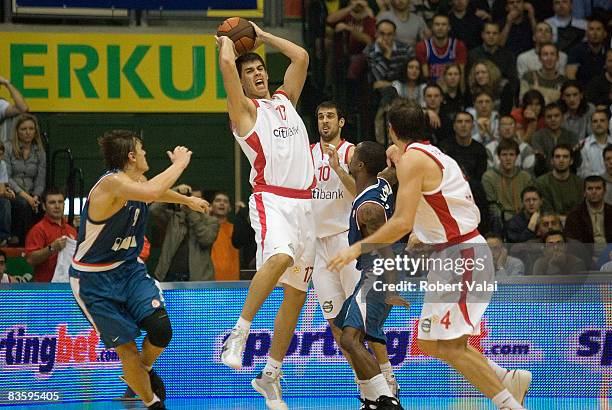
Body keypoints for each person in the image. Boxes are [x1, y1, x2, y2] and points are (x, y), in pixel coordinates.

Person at [328, 99, 532, 410]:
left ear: (392, 129)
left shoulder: (413, 161)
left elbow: (401, 221)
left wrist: (358, 247)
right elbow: (426, 199)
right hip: (450, 256)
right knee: (429, 342)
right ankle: (506, 378)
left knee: (452, 347)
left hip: (462, 256)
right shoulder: (433, 156)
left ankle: (508, 404)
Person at [69, 130, 208, 410]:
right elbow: (151, 192)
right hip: (94, 280)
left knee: (161, 329)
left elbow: (152, 192)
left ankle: (141, 371)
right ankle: (151, 402)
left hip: (129, 270)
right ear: (131, 156)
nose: (146, 154)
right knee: (127, 349)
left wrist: (187, 201)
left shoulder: (136, 181)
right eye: (142, 149)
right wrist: (180, 164)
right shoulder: (111, 185)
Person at [217, 22, 315, 410]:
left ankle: (270, 375)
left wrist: (262, 35)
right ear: (240, 83)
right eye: (248, 72)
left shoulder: (284, 99)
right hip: (272, 198)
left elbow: (302, 57)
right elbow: (227, 66)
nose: (255, 74)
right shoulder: (243, 110)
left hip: (306, 205)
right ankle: (238, 333)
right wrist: (228, 40)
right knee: (281, 258)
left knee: (295, 295)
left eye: (259, 68)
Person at [311, 102, 400, 401]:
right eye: (320, 116)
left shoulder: (356, 165)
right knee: (342, 329)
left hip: (357, 256)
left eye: (330, 116)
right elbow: (390, 174)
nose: (325, 121)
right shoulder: (309, 154)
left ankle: (387, 385)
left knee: (357, 330)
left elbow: (362, 196)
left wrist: (337, 168)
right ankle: (370, 394)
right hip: (323, 247)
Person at [334, 141, 404, 410]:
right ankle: (370, 399)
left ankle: (386, 399)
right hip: (370, 276)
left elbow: (386, 251)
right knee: (349, 335)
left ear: (359, 165)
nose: (348, 156)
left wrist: (390, 290)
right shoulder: (380, 184)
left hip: (376, 277)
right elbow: (392, 172)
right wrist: (397, 152)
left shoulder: (369, 209)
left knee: (350, 339)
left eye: (353, 154)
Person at [150, 184, 219, 282]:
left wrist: (191, 213)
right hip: (169, 276)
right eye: (190, 199)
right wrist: (176, 191)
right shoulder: (174, 218)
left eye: (197, 199)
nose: (192, 202)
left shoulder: (211, 221)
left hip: (198, 279)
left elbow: (206, 240)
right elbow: (154, 209)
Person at [6, 113, 46, 245]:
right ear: (17, 131)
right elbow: (7, 177)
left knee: (42, 206)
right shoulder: (8, 148)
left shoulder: (39, 151)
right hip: (12, 191)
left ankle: (35, 242)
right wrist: (26, 197)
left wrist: (35, 197)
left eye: (31, 129)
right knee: (23, 204)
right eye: (24, 129)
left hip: (32, 193)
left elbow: (40, 179)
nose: (28, 132)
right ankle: (22, 242)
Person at [24, 187, 77, 282]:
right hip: (45, 288)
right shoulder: (38, 230)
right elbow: (30, 260)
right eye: (52, 202)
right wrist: (52, 248)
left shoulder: (72, 230)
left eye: (60, 202)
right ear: (44, 206)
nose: (57, 206)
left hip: (68, 287)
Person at [415, 14, 467, 82]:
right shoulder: (422, 46)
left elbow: (461, 76)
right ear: (432, 27)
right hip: (431, 88)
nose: (440, 27)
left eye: (444, 24)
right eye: (437, 24)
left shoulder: (458, 46)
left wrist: (462, 92)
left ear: (449, 27)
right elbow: (425, 78)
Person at [210, 191, 240, 281]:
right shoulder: (204, 228)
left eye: (225, 201)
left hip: (232, 280)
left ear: (230, 208)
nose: (222, 203)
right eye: (218, 200)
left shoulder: (235, 229)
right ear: (211, 206)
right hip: (208, 281)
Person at [578, 110, 612, 178]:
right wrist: (605, 177)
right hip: (593, 186)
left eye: (602, 120)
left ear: (608, 123)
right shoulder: (583, 145)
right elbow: (582, 173)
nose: (598, 124)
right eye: (595, 121)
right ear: (591, 125)